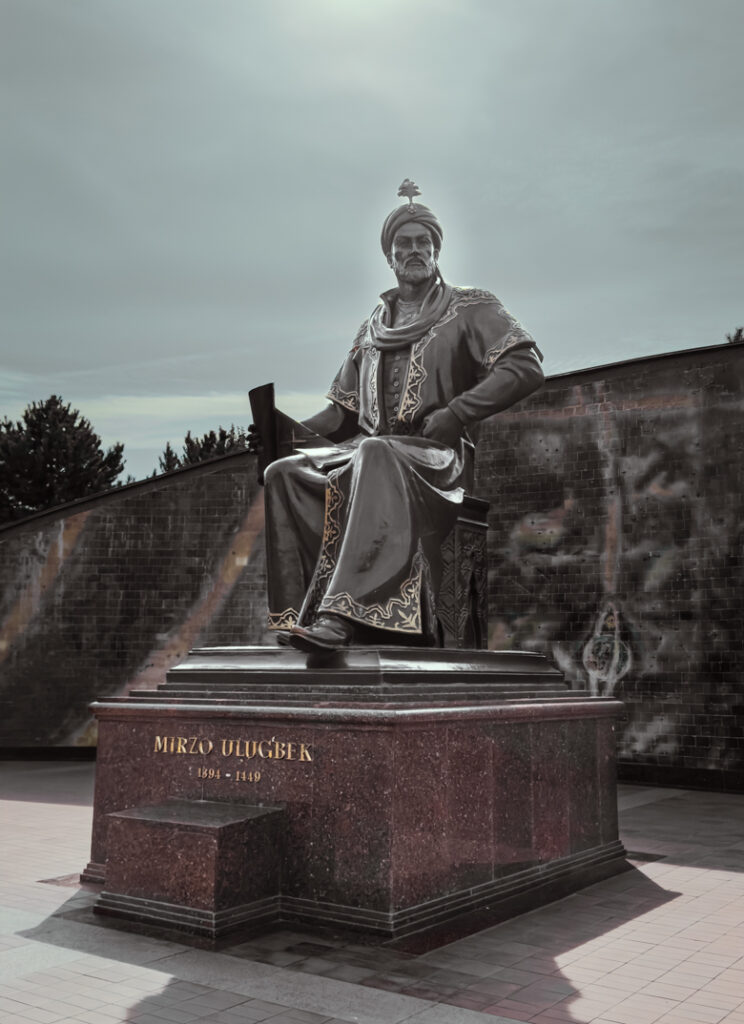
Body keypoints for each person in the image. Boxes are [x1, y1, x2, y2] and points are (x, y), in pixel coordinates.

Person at [258, 181, 544, 653]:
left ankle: (345, 612)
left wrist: (457, 413)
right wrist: (280, 433)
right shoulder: (370, 329)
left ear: (436, 251)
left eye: (423, 243)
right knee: (284, 473)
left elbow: (525, 367)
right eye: (403, 244)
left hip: (435, 460)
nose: (414, 251)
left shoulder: (471, 306)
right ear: (389, 257)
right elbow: (340, 414)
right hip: (369, 456)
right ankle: (298, 617)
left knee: (375, 450)